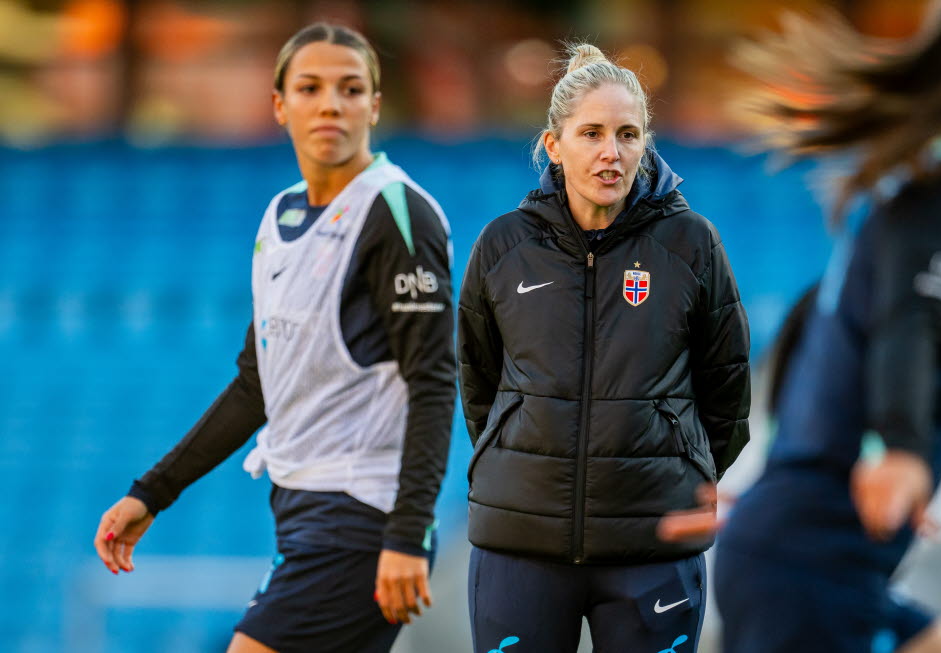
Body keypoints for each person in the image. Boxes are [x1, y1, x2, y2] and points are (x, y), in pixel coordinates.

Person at [660, 1, 941, 651]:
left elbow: (828, 335)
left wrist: (778, 482)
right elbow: (908, 327)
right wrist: (897, 447)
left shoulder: (933, 207)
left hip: (806, 561)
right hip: (809, 571)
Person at [93, 23, 456, 653]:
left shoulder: (397, 213)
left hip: (361, 516)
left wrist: (407, 535)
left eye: (350, 89)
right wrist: (153, 492)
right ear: (280, 105)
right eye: (310, 88)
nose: (330, 104)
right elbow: (257, 381)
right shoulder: (281, 214)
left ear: (374, 104)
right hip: (300, 512)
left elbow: (433, 383)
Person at [457, 42, 751, 653]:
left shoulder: (691, 244)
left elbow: (728, 388)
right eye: (590, 133)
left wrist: (679, 466)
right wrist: (525, 455)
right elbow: (478, 380)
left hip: (654, 544)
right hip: (522, 543)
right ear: (553, 145)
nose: (610, 152)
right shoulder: (502, 246)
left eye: (628, 134)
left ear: (646, 144)